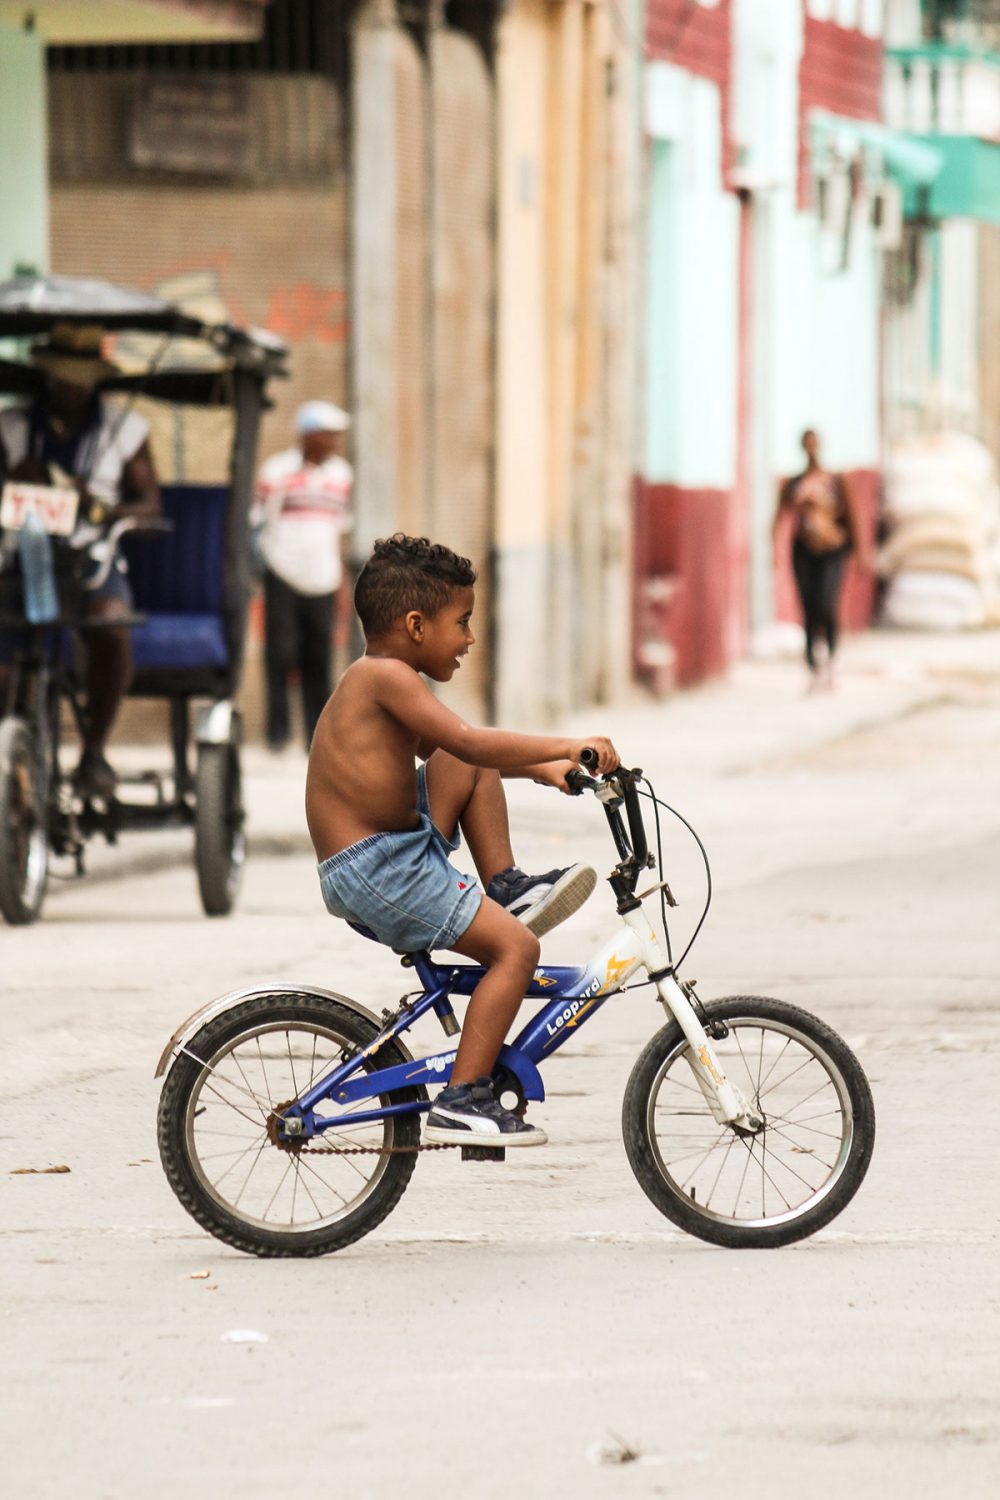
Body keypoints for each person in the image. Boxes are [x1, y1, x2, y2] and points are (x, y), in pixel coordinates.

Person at [306, 533, 619, 1148]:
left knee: (462, 760)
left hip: (394, 847)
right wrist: (562, 744)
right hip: (379, 867)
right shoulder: (384, 677)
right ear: (417, 624)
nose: (471, 639)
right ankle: (464, 1096)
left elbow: (458, 754)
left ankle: (506, 886)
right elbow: (471, 740)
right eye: (463, 622)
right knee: (515, 952)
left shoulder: (384, 681)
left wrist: (542, 771)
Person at [0, 323, 160, 796]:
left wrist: (101, 505)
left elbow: (150, 507)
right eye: (64, 375)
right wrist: (14, 479)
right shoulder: (10, 428)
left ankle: (93, 750)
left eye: (81, 376)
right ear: (48, 374)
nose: (72, 385)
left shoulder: (123, 431)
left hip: (92, 558)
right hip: (19, 558)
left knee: (112, 628)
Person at [253, 400, 353, 751]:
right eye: (328, 435)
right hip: (281, 571)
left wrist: (341, 581)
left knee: (319, 656)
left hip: (322, 577)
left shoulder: (341, 475)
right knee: (280, 653)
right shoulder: (277, 471)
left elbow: (339, 530)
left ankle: (316, 733)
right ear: (309, 436)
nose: (334, 442)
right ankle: (277, 734)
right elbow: (258, 520)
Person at [773, 428, 865, 691]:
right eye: (807, 444)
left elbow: (853, 516)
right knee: (808, 608)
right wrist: (775, 553)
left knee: (827, 604)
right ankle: (814, 665)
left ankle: (832, 659)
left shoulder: (835, 481)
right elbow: (779, 517)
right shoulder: (795, 484)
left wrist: (860, 553)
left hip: (832, 551)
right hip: (803, 551)